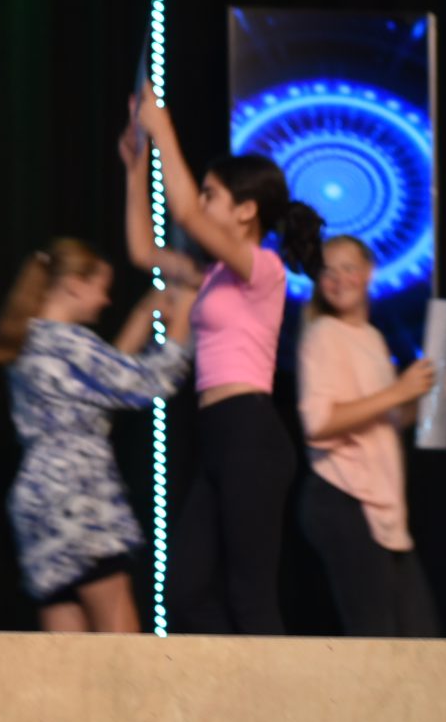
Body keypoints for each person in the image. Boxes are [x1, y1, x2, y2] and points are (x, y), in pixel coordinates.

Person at [132, 85, 322, 633]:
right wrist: (135, 165)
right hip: (218, 434)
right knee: (185, 589)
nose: (204, 203)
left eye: (213, 194)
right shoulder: (213, 273)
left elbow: (185, 212)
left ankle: (269, 691)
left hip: (250, 433)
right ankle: (232, 687)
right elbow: (142, 251)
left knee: (250, 596)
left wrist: (162, 130)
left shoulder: (262, 268)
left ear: (246, 211)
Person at [0, 235, 193, 632]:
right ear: (75, 284)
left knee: (66, 654)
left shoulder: (31, 341)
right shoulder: (68, 341)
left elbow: (102, 383)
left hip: (38, 501)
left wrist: (144, 314)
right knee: (120, 645)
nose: (106, 301)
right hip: (78, 494)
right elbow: (149, 382)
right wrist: (186, 310)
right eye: (101, 288)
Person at [296, 234, 446, 636]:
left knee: (418, 638)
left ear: (369, 272)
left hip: (379, 506)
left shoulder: (372, 338)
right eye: (328, 271)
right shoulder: (323, 334)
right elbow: (318, 423)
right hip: (343, 496)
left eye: (348, 268)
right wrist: (400, 391)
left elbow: (382, 420)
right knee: (377, 637)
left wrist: (429, 400)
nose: (338, 279)